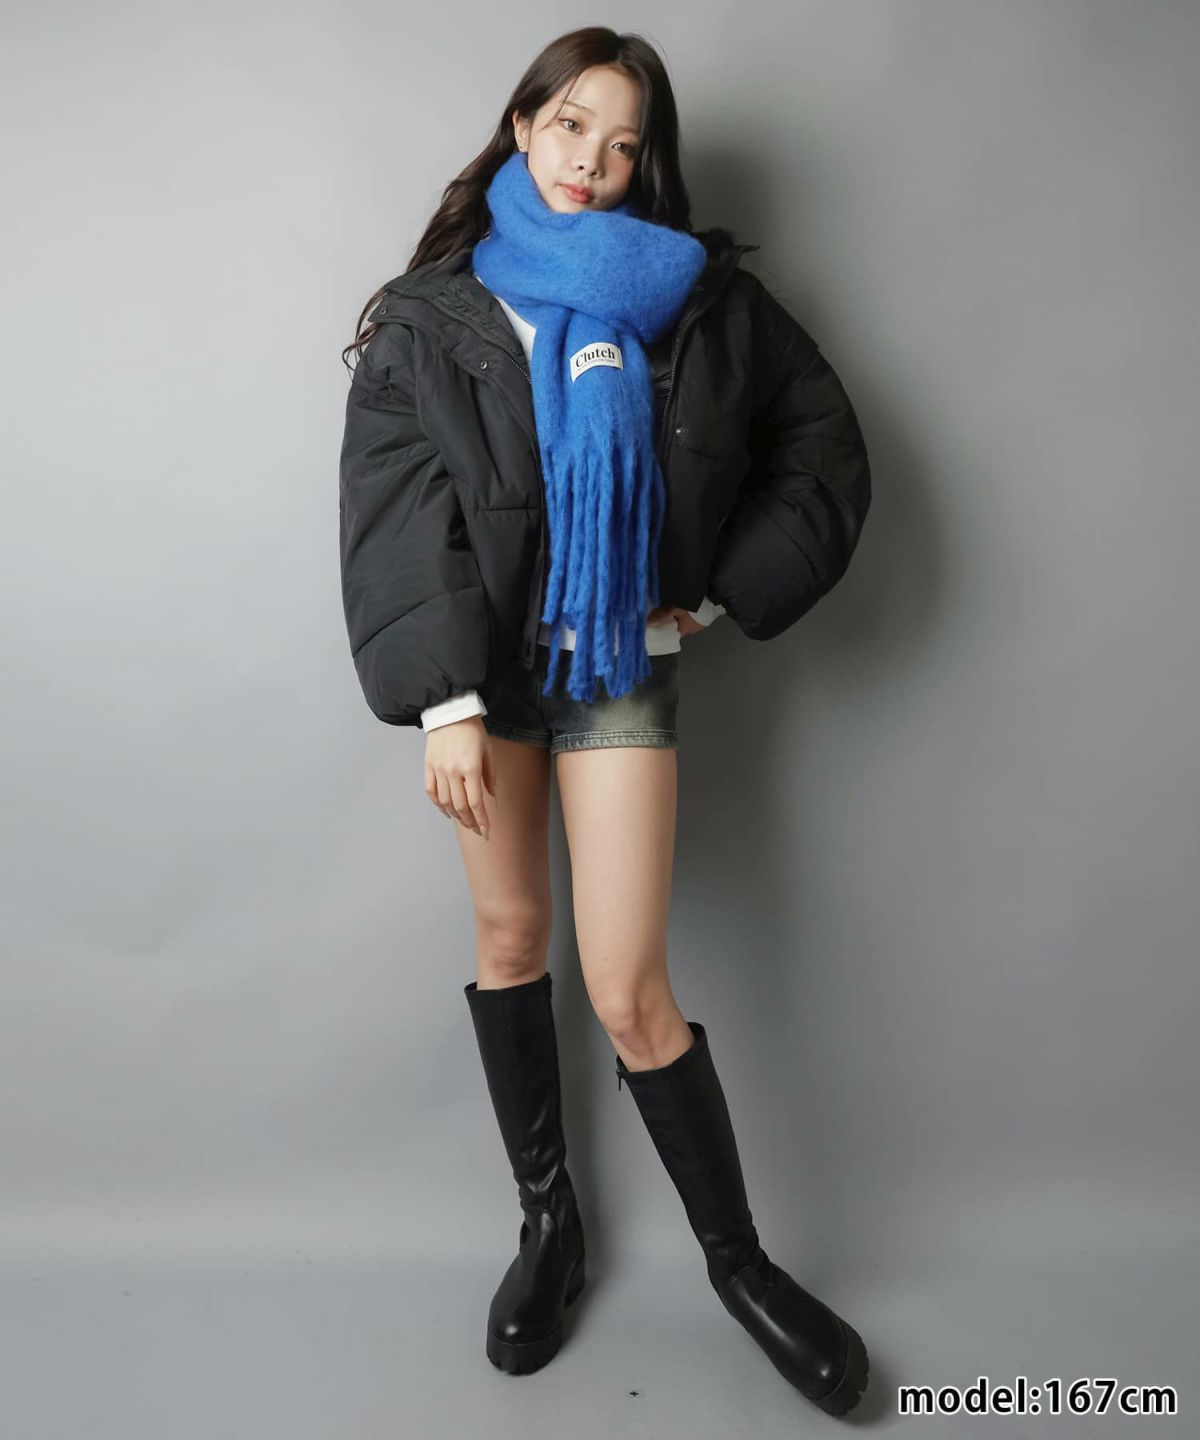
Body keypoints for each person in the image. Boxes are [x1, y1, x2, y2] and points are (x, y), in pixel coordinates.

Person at [338, 25, 872, 1418]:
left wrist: (715, 595)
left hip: (618, 662)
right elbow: (399, 508)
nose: (592, 159)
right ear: (523, 126)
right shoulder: (436, 314)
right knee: (514, 940)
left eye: (623, 142)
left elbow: (823, 448)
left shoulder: (698, 300)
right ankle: (549, 1225)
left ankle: (739, 1265)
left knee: (629, 984)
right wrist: (446, 702)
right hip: (486, 676)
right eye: (572, 124)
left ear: (646, 164)